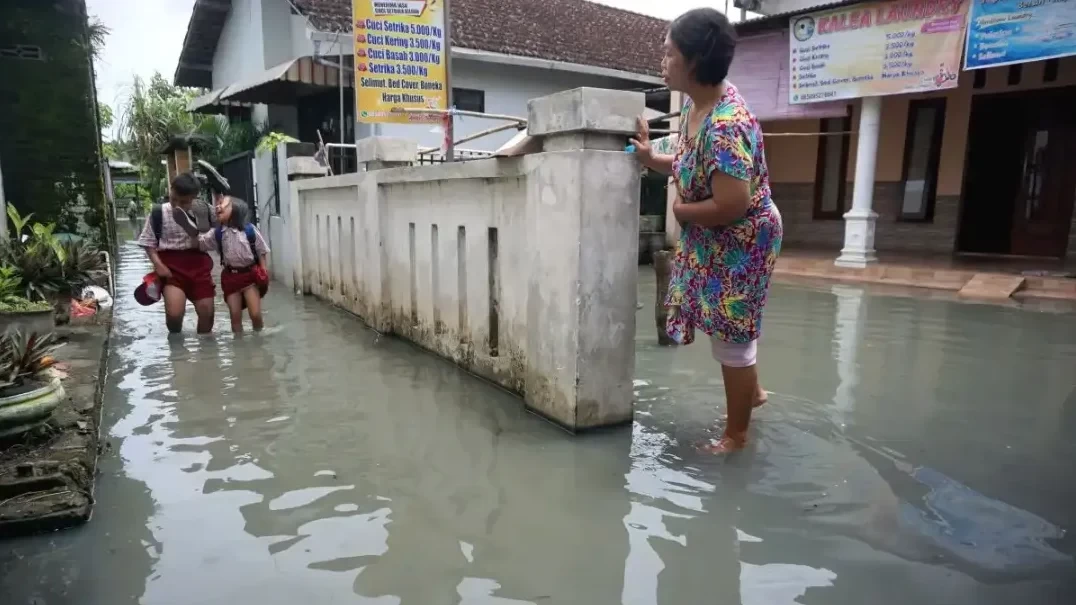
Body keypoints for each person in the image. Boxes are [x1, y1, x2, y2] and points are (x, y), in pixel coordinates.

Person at [631, 8, 783, 453]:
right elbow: (690, 161)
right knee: (729, 328)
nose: (663, 61)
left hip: (743, 240)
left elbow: (731, 202)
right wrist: (650, 159)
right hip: (721, 236)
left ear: (694, 63)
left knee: (732, 334)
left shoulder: (726, 124)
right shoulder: (701, 108)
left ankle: (736, 437)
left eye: (669, 53)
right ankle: (751, 394)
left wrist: (681, 210)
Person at [175, 196, 270, 333]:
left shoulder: (249, 230)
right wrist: (193, 234)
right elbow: (201, 245)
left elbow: (262, 251)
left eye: (223, 205)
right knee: (235, 318)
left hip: (249, 276)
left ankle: (259, 340)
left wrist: (263, 271)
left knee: (255, 314)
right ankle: (239, 347)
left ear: (236, 210)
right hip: (230, 278)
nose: (218, 207)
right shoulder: (217, 233)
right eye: (217, 205)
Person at [137, 173, 216, 334]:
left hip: (198, 263)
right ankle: (177, 350)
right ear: (170, 190)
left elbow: (220, 234)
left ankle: (206, 355)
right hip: (171, 267)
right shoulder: (158, 212)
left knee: (207, 313)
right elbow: (147, 242)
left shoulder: (206, 211)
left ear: (195, 197)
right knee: (174, 314)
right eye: (174, 199)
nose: (176, 204)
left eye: (184, 202)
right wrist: (158, 265)